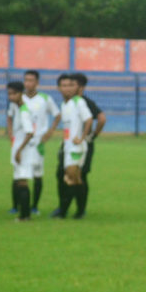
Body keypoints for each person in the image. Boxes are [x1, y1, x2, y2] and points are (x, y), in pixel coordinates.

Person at [52, 72, 106, 218]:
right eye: (65, 85)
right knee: (65, 175)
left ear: (80, 87)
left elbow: (100, 118)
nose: (68, 88)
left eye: (72, 85)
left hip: (78, 146)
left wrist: (89, 137)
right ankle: (65, 208)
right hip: (68, 145)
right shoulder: (66, 103)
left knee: (76, 177)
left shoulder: (81, 101)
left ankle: (75, 210)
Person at [22, 70, 61, 214]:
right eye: (26, 80)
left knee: (37, 175)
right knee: (19, 173)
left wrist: (50, 132)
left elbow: (57, 115)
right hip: (22, 142)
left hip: (37, 143)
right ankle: (16, 206)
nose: (28, 83)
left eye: (31, 80)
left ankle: (34, 206)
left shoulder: (45, 98)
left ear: (37, 82)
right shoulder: (20, 98)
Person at [6, 81, 37, 221]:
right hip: (18, 148)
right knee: (19, 181)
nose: (11, 97)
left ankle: (25, 215)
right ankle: (24, 214)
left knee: (23, 182)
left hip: (23, 151)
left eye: (14, 93)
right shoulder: (17, 108)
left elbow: (30, 133)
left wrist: (19, 150)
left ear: (21, 93)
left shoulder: (24, 110)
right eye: (9, 94)